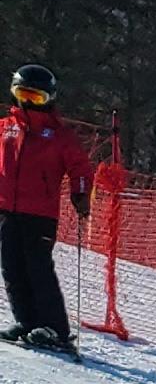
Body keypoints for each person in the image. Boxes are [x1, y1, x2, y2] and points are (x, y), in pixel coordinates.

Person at [0, 70, 97, 355]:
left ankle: (55, 329)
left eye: (36, 97)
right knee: (12, 269)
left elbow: (80, 168)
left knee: (38, 269)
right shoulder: (5, 128)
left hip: (39, 214)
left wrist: (80, 193)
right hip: (6, 210)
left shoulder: (59, 135)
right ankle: (27, 322)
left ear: (49, 99)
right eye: (23, 95)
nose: (29, 103)